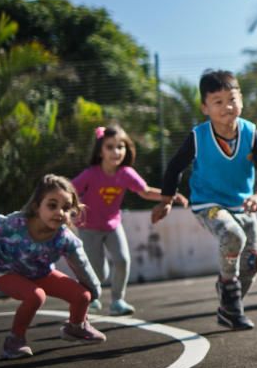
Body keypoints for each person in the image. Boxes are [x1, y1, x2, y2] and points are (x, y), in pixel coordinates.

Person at [151, 69, 257, 330]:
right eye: (218, 102)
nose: (227, 106)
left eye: (232, 99)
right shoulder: (199, 136)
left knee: (252, 263)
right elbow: (174, 168)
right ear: (204, 107)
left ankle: (228, 308)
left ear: (241, 100)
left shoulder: (250, 133)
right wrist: (165, 201)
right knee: (233, 237)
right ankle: (229, 292)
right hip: (208, 204)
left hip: (242, 205)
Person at [0, 174, 106, 359]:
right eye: (52, 205)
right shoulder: (14, 224)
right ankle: (14, 341)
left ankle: (76, 327)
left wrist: (94, 291)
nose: (60, 212)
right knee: (36, 296)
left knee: (82, 296)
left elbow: (82, 266)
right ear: (36, 206)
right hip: (5, 271)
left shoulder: (65, 239)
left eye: (66, 208)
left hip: (41, 273)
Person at [73, 124, 187, 316]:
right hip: (88, 227)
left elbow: (146, 191)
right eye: (110, 147)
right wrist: (67, 211)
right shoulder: (91, 174)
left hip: (112, 225)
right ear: (100, 151)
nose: (116, 152)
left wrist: (170, 196)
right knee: (99, 273)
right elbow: (70, 190)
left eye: (121, 147)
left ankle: (117, 301)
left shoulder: (126, 173)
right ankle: (92, 296)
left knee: (123, 260)